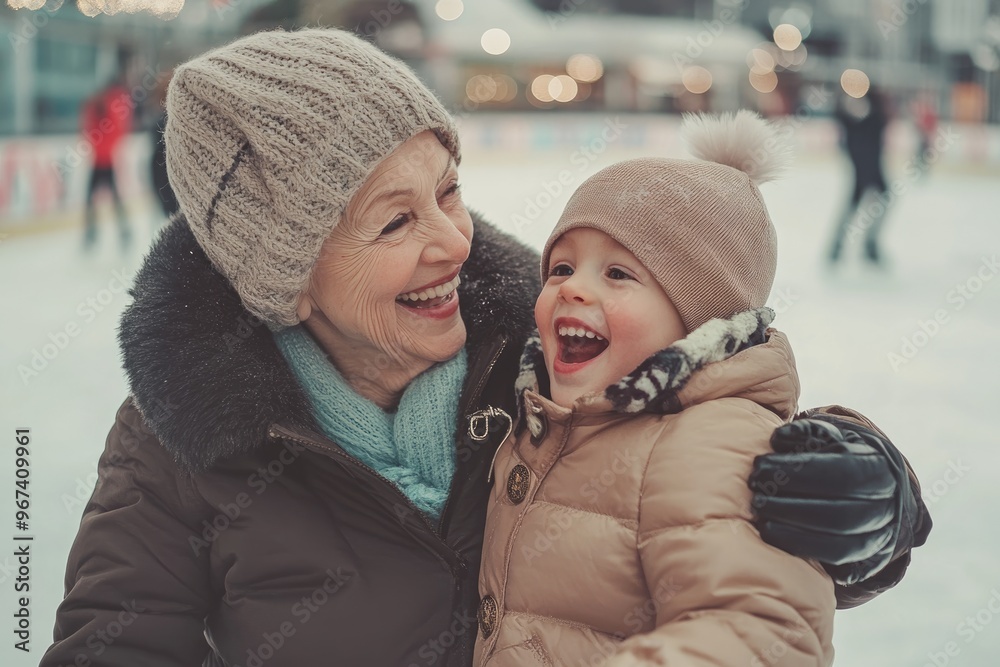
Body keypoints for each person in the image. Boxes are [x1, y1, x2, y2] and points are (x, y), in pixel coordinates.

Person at [41, 30, 930, 667]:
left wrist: (868, 496)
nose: (455, 242)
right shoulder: (176, 441)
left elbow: (714, 492)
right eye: (396, 220)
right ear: (288, 281)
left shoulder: (550, 352)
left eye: (450, 190)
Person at [475, 112, 841, 666]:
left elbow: (761, 629)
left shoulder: (711, 442)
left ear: (698, 322)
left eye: (618, 274)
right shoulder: (540, 416)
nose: (573, 287)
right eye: (562, 267)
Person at [827, 88, 891, 265]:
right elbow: (841, 115)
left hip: (874, 176)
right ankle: (840, 246)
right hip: (863, 178)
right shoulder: (854, 126)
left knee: (869, 208)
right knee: (851, 211)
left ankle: (867, 245)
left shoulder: (872, 123)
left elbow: (879, 116)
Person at [80, 79, 133, 249]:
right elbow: (88, 130)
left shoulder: (110, 108)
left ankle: (123, 231)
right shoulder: (96, 108)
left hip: (106, 162)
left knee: (113, 200)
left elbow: (114, 132)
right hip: (98, 162)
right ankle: (94, 233)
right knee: (94, 200)